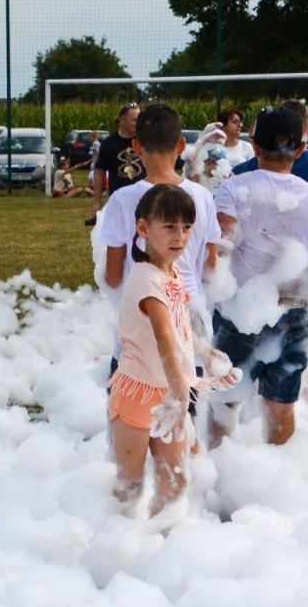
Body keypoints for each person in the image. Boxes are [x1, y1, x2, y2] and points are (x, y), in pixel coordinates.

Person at [210, 107, 308, 447]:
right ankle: (278, 482)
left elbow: (218, 256)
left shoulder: (233, 190)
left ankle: (216, 487)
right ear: (300, 149)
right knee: (281, 408)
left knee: (223, 405)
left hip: (238, 312)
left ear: (253, 144)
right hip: (291, 314)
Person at [107, 184, 236, 516]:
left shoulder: (173, 273)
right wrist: (181, 396)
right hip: (138, 392)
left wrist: (206, 352)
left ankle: (161, 544)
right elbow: (164, 338)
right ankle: (118, 547)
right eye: (169, 226)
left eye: (186, 227)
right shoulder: (147, 280)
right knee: (130, 484)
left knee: (176, 480)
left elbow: (180, 330)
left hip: (169, 390)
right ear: (143, 228)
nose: (179, 236)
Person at [99, 103, 221, 382]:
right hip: (190, 317)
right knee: (183, 412)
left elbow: (114, 276)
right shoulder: (202, 197)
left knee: (129, 413)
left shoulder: (122, 200)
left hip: (141, 313)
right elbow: (210, 268)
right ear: (180, 144)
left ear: (137, 147)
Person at [227, 99, 308, 328]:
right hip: (301, 280)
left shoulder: (239, 176)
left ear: (255, 144)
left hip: (246, 291)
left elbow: (221, 241)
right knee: (301, 330)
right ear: (303, 140)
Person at [90, 101, 144, 226]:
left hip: (144, 201)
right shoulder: (109, 144)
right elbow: (99, 171)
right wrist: (97, 202)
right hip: (119, 202)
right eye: (134, 120)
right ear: (122, 120)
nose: (138, 124)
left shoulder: (145, 141)